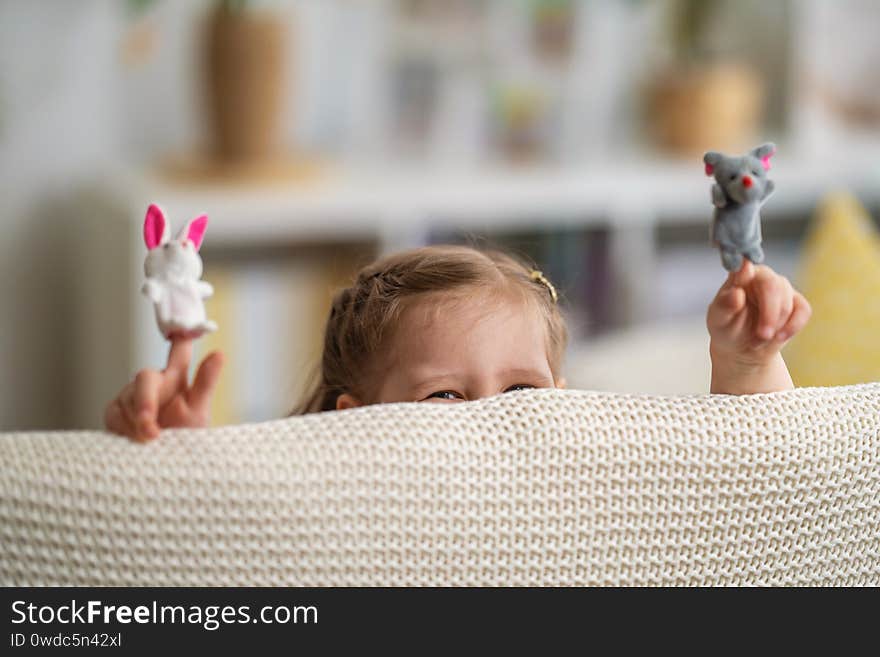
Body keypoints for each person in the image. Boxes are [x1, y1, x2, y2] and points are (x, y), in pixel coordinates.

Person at [104, 245, 811, 441]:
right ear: (359, 422)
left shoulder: (583, 483)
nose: (494, 416)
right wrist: (180, 463)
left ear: (560, 398)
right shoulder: (336, 507)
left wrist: (748, 360)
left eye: (522, 389)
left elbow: (745, 478)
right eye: (444, 395)